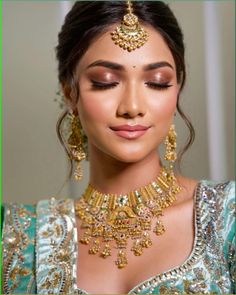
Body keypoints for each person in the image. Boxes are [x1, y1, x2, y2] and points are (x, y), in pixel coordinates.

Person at [2, 1, 235, 294]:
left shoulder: (229, 217)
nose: (132, 107)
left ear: (177, 89)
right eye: (105, 82)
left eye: (157, 82)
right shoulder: (18, 236)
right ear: (70, 93)